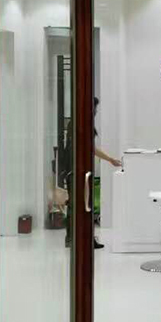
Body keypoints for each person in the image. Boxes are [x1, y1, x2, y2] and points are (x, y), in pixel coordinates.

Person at [64, 97, 117, 250]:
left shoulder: (83, 124)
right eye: (95, 108)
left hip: (82, 170)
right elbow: (82, 149)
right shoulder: (78, 125)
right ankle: (73, 238)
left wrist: (109, 159)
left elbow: (90, 148)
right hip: (76, 171)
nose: (96, 111)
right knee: (77, 205)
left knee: (85, 205)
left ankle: (85, 238)